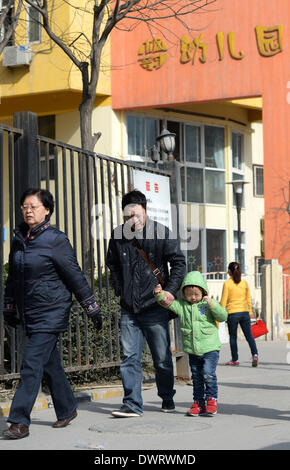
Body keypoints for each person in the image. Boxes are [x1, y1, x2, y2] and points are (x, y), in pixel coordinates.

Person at [2, 188, 102, 440]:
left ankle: (19, 421)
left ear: (47, 210)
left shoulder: (56, 240)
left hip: (52, 311)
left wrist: (92, 307)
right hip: (30, 312)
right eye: (24, 206)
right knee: (50, 364)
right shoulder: (19, 239)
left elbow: (74, 276)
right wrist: (9, 306)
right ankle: (67, 408)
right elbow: (13, 278)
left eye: (33, 206)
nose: (27, 210)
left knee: (31, 364)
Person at [106, 189, 186, 417]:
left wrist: (170, 291)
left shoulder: (161, 232)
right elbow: (111, 264)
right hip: (129, 308)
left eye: (137, 214)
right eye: (128, 216)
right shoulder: (118, 235)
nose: (133, 220)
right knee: (129, 357)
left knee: (161, 358)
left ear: (145, 210)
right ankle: (132, 403)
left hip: (155, 306)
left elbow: (178, 263)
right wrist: (120, 290)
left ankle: (167, 396)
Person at [154, 270, 227, 417]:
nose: (193, 298)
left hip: (210, 349)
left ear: (203, 291)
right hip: (193, 350)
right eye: (189, 294)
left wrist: (212, 304)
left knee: (208, 374)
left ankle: (211, 400)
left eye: (196, 294)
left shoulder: (208, 304)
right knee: (197, 377)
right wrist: (159, 295)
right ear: (184, 293)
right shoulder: (182, 306)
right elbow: (169, 304)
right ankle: (198, 403)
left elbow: (223, 316)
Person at [220, 261, 259, 367]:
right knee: (249, 335)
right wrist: (250, 312)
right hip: (245, 312)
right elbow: (248, 299)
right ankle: (255, 354)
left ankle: (235, 359)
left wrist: (219, 314)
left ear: (229, 271)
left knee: (233, 337)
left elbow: (223, 301)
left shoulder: (227, 283)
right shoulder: (245, 283)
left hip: (232, 313)